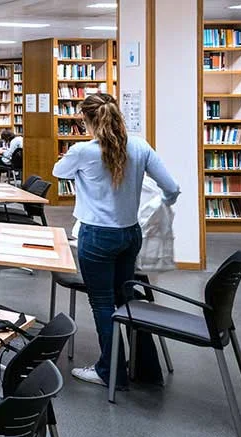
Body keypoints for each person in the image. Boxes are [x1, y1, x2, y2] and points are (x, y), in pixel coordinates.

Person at [52, 93, 179, 389]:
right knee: (126, 297)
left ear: (86, 120)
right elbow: (172, 188)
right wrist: (156, 204)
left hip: (96, 236)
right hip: (129, 234)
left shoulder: (83, 151)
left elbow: (59, 172)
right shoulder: (139, 146)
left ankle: (110, 372)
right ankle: (146, 368)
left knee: (102, 303)